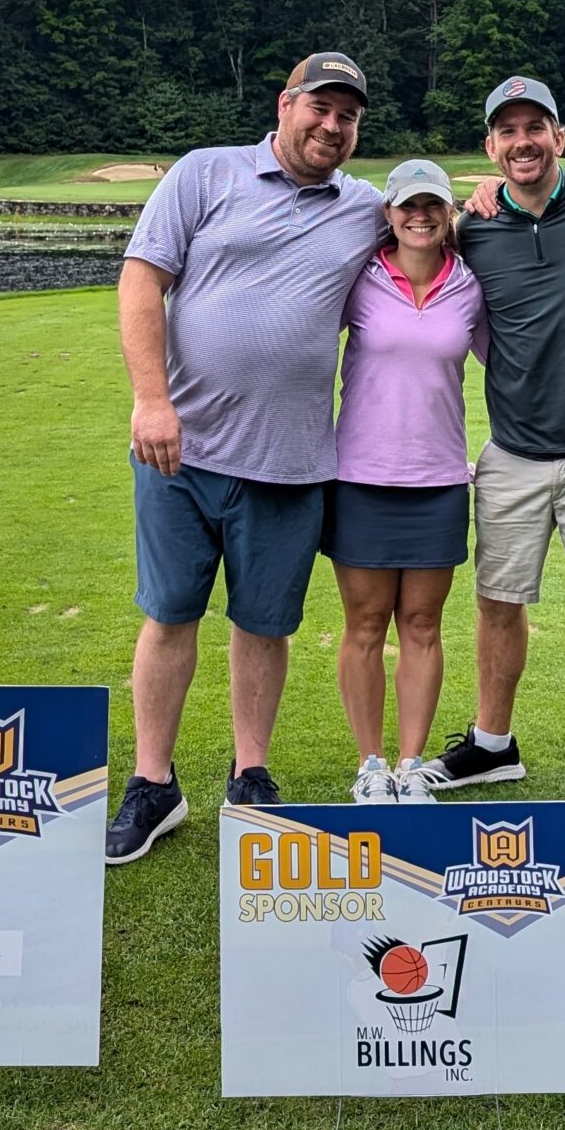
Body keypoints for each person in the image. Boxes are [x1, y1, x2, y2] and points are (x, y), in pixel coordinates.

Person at [105, 53, 384, 865]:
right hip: (179, 453)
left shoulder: (365, 207)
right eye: (320, 109)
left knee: (264, 624)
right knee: (169, 614)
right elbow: (139, 280)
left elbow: (434, 230)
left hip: (291, 462)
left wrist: (481, 199)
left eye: (348, 117)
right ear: (285, 104)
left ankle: (250, 772)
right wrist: (151, 400)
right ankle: (154, 782)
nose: (332, 126)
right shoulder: (205, 174)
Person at [428, 77, 565, 833]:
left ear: (559, 135)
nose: (522, 141)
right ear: (490, 147)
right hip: (513, 449)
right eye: (506, 131)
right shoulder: (470, 227)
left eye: (536, 127)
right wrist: (466, 204)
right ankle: (493, 742)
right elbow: (401, 251)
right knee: (498, 600)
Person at [328, 160, 486, 804]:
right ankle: (371, 764)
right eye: (406, 206)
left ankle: (413, 763)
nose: (419, 216)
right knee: (365, 623)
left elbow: (519, 353)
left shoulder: (472, 286)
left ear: (448, 214)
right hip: (361, 477)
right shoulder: (357, 280)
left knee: (422, 624)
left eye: (432, 206)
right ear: (387, 214)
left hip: (439, 479)